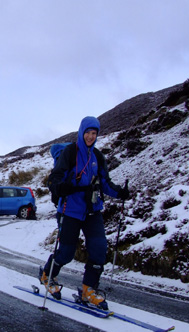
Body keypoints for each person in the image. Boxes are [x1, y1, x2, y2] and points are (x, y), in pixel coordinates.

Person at [40, 116, 129, 310]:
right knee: (66, 253)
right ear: (81, 132)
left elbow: (105, 183)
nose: (90, 136)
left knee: (99, 249)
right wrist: (59, 187)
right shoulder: (70, 153)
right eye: (88, 132)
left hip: (92, 210)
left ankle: (89, 289)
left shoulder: (97, 156)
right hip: (69, 210)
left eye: (94, 133)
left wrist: (120, 192)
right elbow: (55, 178)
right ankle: (47, 275)